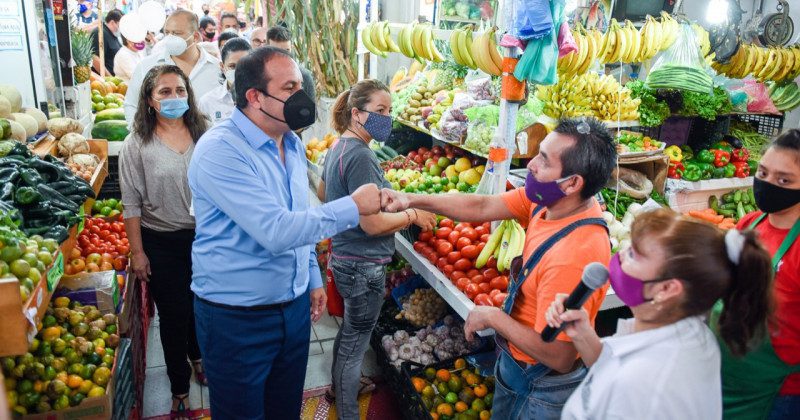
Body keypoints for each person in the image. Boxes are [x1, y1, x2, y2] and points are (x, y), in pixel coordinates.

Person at [187, 46, 382, 419]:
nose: (301, 97)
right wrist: (354, 206)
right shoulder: (220, 150)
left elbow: (300, 216)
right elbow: (276, 230)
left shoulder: (291, 144)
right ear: (255, 96)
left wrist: (310, 276)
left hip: (291, 311)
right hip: (236, 317)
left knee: (284, 410)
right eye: (290, 87)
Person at [381, 118, 617, 418]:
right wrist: (410, 199)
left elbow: (560, 356)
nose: (530, 165)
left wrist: (494, 317)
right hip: (519, 363)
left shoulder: (574, 254)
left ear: (572, 183)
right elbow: (481, 206)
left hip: (539, 386)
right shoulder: (549, 203)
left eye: (543, 160)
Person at [546, 208, 773, 419]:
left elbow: (628, 381)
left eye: (634, 255)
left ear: (666, 289)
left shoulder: (645, 383)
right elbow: (613, 367)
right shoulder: (688, 332)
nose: (621, 255)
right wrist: (583, 335)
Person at [321, 80, 436, 418]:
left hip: (345, 257)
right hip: (363, 264)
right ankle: (347, 411)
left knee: (350, 334)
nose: (387, 118)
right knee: (356, 345)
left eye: (389, 111)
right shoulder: (361, 156)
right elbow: (370, 225)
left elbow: (324, 191)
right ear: (357, 114)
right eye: (380, 111)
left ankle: (340, 388)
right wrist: (412, 215)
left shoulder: (340, 147)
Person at [119, 64, 210, 420]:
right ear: (150, 100)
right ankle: (179, 389)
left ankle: (199, 354)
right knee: (173, 314)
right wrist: (138, 252)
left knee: (200, 304)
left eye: (180, 90)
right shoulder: (137, 144)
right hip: (161, 241)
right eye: (165, 92)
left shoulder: (205, 133)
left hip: (205, 238)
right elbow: (130, 203)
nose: (175, 98)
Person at [715, 129, 800, 420]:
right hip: (727, 372)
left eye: (784, 180)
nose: (766, 184)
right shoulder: (751, 223)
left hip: (780, 391)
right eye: (762, 173)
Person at [124, 10, 221, 124]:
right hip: (158, 140)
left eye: (176, 33)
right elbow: (131, 105)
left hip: (206, 139)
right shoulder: (146, 66)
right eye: (167, 33)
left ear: (195, 36)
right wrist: (142, 135)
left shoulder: (217, 68)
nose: (170, 38)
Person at [198, 38, 250, 125]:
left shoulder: (263, 98)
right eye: (232, 66)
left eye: (244, 65)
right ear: (222, 67)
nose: (238, 71)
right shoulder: (208, 102)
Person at [266, 26, 315, 104]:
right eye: (276, 51)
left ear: (292, 48)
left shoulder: (304, 76)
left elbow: (312, 112)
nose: (282, 56)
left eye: (286, 51)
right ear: (267, 49)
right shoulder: (260, 75)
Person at [90, 9, 123, 76]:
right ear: (112, 22)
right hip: (105, 81)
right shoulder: (100, 33)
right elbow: (95, 58)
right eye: (120, 25)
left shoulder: (113, 34)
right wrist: (110, 78)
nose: (121, 28)